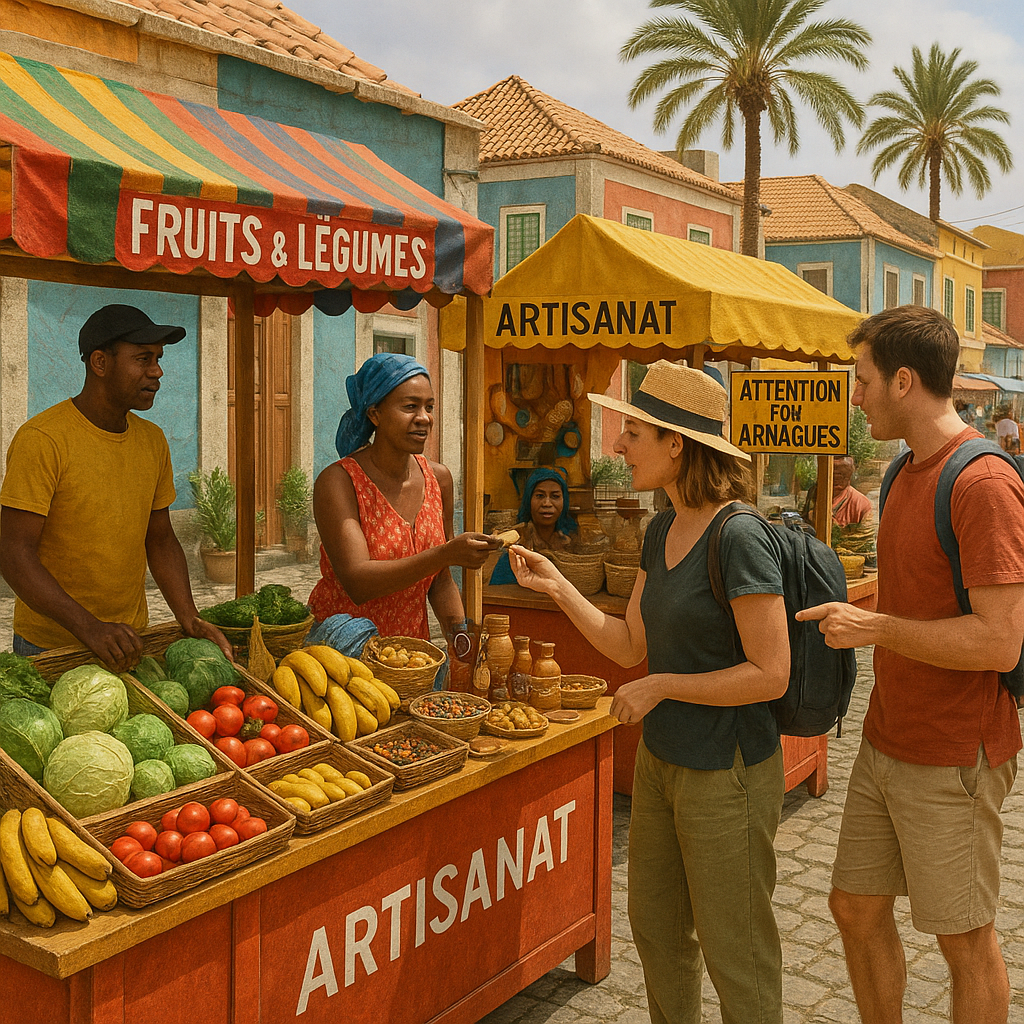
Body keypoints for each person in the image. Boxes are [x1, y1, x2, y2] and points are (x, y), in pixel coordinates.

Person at [510, 361, 790, 1023]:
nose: (617, 445)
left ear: (677, 444)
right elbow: (629, 643)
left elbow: (771, 672)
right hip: (661, 764)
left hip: (727, 772)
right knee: (659, 933)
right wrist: (557, 586)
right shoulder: (660, 529)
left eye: (633, 433)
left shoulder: (740, 536)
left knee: (737, 952)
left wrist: (662, 686)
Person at [797, 305, 1024, 1024]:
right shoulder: (900, 472)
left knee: (964, 941)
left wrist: (876, 629)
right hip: (888, 738)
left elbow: (1000, 642)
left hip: (954, 753)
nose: (853, 396)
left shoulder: (982, 484)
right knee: (854, 907)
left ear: (903, 381)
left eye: (862, 380)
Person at [0, 303, 231, 670]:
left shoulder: (153, 441)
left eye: (158, 358)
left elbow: (160, 540)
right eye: (142, 359)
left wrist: (189, 616)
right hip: (49, 647)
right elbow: (13, 553)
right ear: (100, 363)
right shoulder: (42, 440)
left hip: (128, 640)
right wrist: (89, 627)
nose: (156, 371)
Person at [309, 352, 499, 641]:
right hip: (342, 652)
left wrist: (460, 639)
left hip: (409, 654)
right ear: (375, 414)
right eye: (410, 406)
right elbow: (358, 582)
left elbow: (440, 580)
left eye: (429, 407)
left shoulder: (439, 479)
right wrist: (445, 553)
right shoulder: (339, 482)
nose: (424, 418)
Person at [488, 467, 578, 585]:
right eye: (540, 496)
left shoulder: (571, 544)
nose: (547, 503)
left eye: (555, 496)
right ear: (528, 501)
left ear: (564, 501)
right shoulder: (516, 550)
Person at [802, 455, 873, 528]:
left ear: (850, 475)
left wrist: (835, 526)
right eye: (832, 475)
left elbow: (866, 532)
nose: (836, 479)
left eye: (842, 475)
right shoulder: (814, 492)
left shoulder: (861, 504)